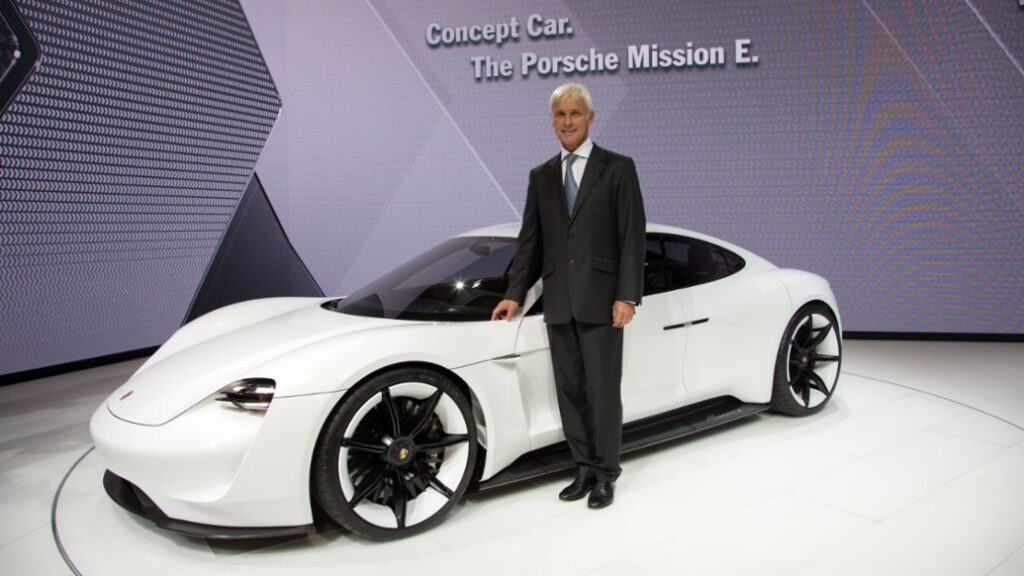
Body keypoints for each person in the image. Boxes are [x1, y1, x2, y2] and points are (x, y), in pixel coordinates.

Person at [491, 83, 646, 509]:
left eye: (575, 113)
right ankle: (583, 467)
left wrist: (627, 296)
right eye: (560, 114)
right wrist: (514, 295)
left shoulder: (618, 168)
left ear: (590, 118)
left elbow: (631, 235)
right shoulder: (540, 176)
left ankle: (606, 473)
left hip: (602, 301)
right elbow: (531, 242)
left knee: (602, 391)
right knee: (570, 392)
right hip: (559, 301)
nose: (568, 121)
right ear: (552, 120)